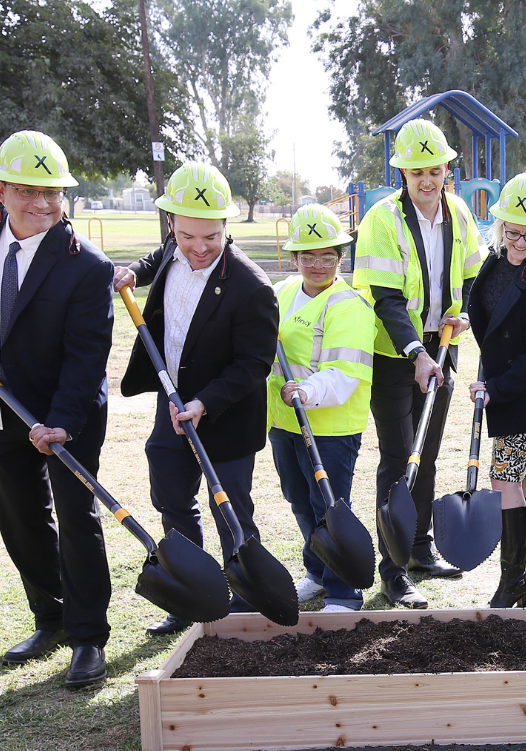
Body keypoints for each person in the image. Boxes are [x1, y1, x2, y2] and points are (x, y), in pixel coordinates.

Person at [0, 131, 115, 688]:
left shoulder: (86, 266)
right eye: (27, 191)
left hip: (67, 410)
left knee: (76, 519)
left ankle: (88, 638)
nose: (42, 204)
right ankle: (52, 616)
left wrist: (62, 422)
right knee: (19, 515)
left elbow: (87, 358)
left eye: (54, 193)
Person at [115, 161, 277, 635]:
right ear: (172, 225)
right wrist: (134, 272)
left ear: (226, 226)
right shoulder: (173, 249)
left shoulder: (251, 287)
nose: (198, 247)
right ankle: (193, 593)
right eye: (187, 236)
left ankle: (245, 601)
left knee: (229, 508)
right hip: (172, 404)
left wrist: (206, 402)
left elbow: (253, 364)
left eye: (211, 237)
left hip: (223, 413)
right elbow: (158, 258)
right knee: (170, 496)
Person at [353, 119, 482, 609]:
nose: (426, 180)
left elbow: (472, 274)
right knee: (398, 458)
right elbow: (385, 300)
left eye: (434, 169)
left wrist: (465, 310)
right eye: (415, 172)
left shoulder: (459, 213)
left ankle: (420, 549)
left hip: (443, 346)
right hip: (394, 355)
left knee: (426, 454)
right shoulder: (381, 221)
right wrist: (417, 355)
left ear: (447, 168)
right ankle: (392, 569)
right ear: (401, 175)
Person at [463, 173, 526, 608]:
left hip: (524, 393)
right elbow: (494, 310)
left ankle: (513, 581)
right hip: (506, 384)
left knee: (503, 477)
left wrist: (495, 389)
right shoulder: (497, 257)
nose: (520, 241)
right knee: (523, 476)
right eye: (513, 231)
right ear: (500, 225)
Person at [267, 204, 376, 612]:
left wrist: (307, 392)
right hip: (285, 422)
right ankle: (316, 572)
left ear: (340, 258)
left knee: (329, 506)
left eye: (327, 256)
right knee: (299, 500)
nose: (318, 264)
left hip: (329, 425)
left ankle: (344, 590)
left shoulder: (349, 305)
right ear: (294, 258)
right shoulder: (282, 294)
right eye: (308, 256)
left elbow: (345, 371)